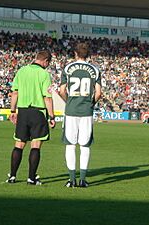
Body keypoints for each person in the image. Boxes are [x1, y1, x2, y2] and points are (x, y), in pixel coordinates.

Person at [6, 50, 56, 185]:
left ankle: (12, 176)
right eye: (48, 63)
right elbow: (48, 98)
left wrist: (12, 111)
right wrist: (52, 116)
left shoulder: (21, 71)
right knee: (36, 145)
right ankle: (31, 178)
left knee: (19, 144)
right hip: (38, 112)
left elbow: (15, 93)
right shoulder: (44, 74)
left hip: (23, 111)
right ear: (45, 61)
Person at [59, 43, 102, 188]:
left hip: (71, 111)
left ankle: (71, 180)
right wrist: (91, 104)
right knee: (85, 145)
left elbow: (62, 91)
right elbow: (98, 93)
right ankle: (83, 180)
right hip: (86, 112)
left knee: (70, 145)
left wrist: (68, 102)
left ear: (75, 53)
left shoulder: (67, 68)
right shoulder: (95, 70)